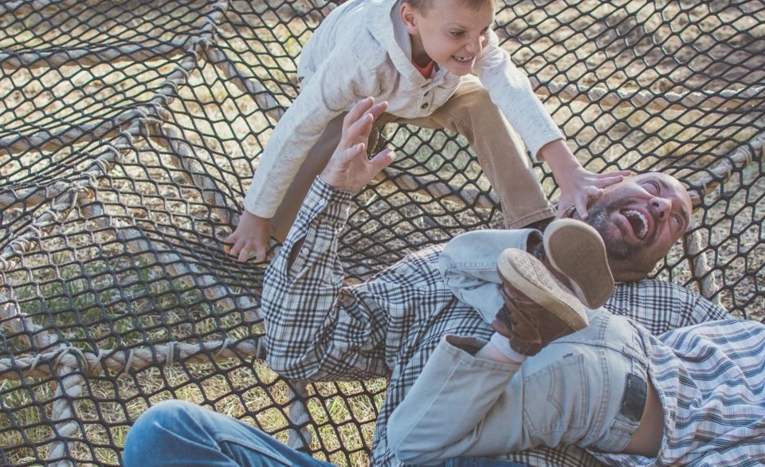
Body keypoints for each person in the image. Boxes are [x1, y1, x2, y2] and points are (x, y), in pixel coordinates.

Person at [123, 100, 730, 467]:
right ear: (607, 182)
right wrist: (329, 196)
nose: (661, 209)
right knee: (167, 434)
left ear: (663, 253)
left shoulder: (678, 314)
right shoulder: (456, 264)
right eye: (654, 187)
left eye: (676, 220)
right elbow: (297, 347)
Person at [224, 0, 630, 263]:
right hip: (353, 100)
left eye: (484, 31)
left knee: (483, 100)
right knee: (314, 178)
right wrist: (254, 214)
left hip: (430, 89)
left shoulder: (467, 31)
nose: (475, 47)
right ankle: (275, 227)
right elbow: (298, 125)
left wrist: (568, 170)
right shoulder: (359, 57)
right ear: (411, 19)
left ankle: (534, 226)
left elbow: (511, 85)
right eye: (459, 34)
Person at [388, 246, 765, 466]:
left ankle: (539, 276)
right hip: (610, 399)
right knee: (412, 441)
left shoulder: (748, 333)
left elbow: (694, 341)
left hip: (608, 329)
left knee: (456, 262)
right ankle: (517, 334)